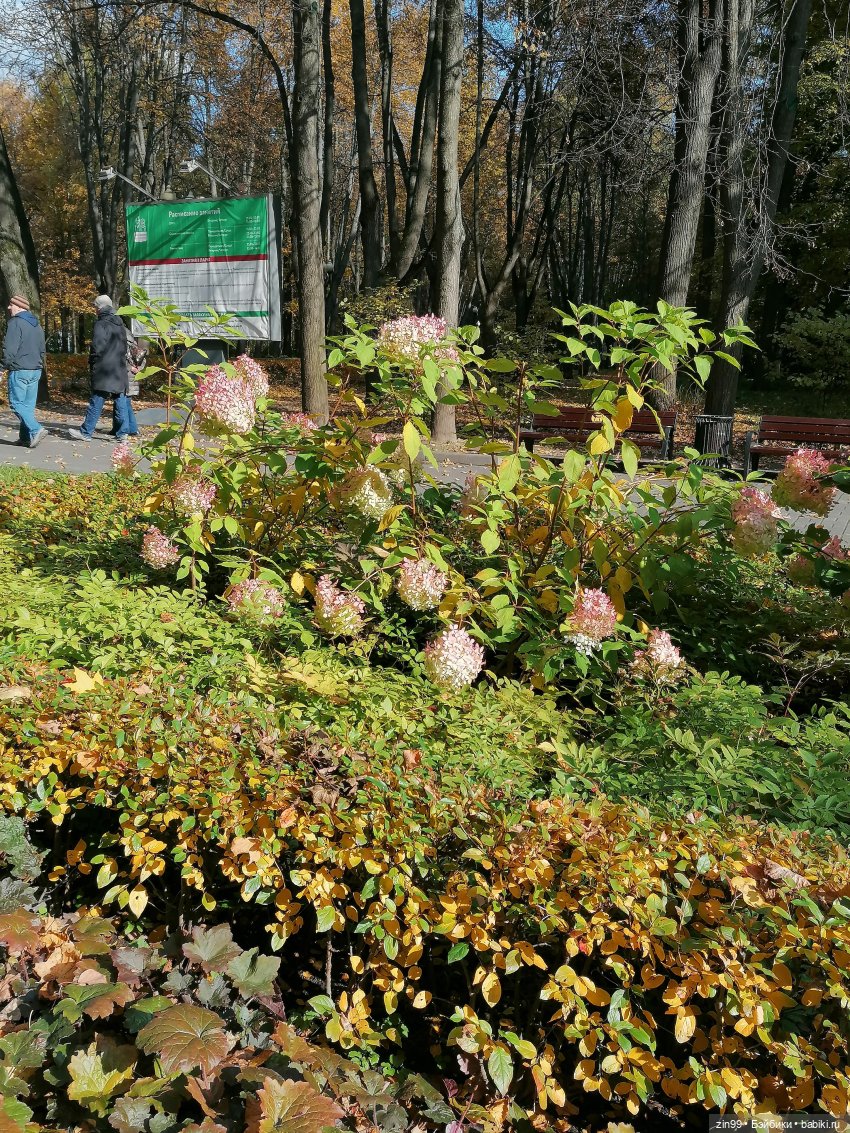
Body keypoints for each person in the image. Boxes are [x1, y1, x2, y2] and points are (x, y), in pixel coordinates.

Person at [67, 294, 139, 443]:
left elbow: (97, 347)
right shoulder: (120, 324)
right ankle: (122, 434)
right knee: (120, 401)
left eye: (95, 307)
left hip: (104, 369)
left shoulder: (101, 324)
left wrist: (93, 363)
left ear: (99, 308)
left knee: (97, 400)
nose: (94, 310)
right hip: (119, 369)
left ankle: (86, 432)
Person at [2, 294, 47, 448]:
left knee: (16, 404)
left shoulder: (15, 323)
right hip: (35, 370)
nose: (9, 307)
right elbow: (42, 349)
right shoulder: (36, 324)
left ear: (20, 307)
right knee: (27, 406)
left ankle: (36, 429)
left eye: (11, 305)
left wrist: (2, 367)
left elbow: (10, 349)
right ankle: (25, 438)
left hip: (20, 369)